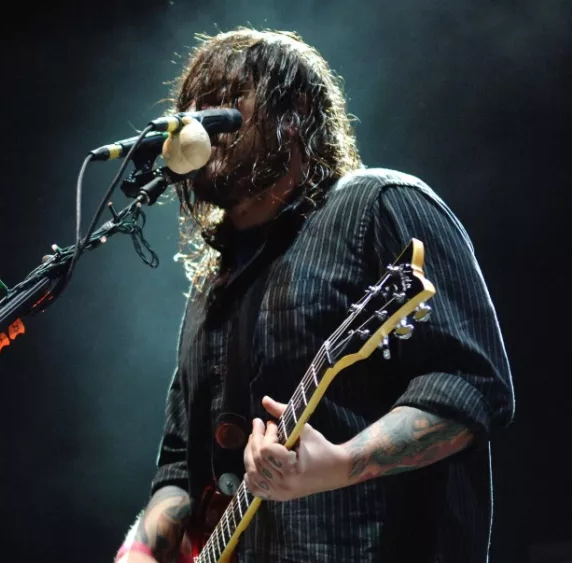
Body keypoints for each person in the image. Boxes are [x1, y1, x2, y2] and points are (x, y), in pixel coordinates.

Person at [113, 27, 515, 563]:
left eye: (225, 103)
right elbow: (181, 466)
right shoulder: (213, 284)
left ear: (294, 113)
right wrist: (142, 548)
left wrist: (344, 461)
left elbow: (473, 385)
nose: (200, 124)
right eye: (192, 108)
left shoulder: (378, 204)